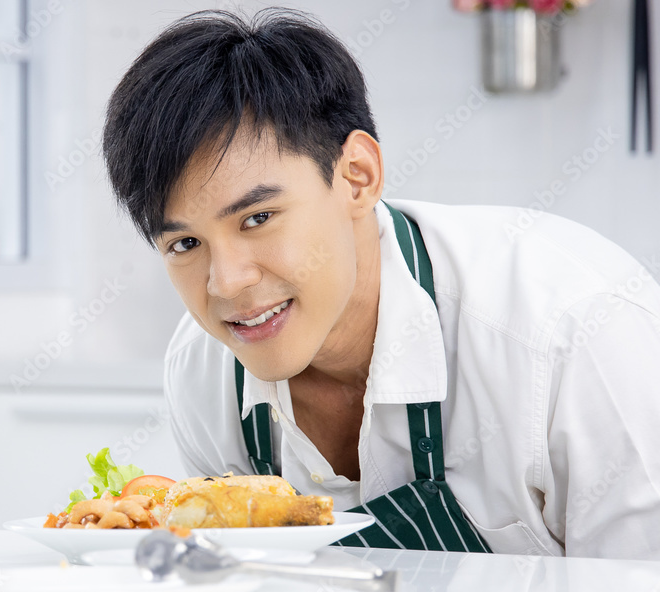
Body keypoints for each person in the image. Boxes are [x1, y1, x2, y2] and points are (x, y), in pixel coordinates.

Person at [101, 9, 660, 559]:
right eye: (184, 245)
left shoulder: (573, 334)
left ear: (356, 178)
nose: (227, 285)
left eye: (257, 219)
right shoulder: (203, 372)